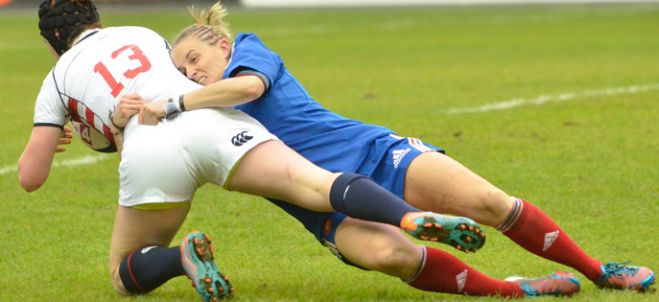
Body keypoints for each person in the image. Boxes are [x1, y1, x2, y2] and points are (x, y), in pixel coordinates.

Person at [134, 1, 655, 296]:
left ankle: (597, 270)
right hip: (323, 206)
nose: (190, 71)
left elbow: (247, 90)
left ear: (221, 45)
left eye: (194, 57)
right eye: (179, 70)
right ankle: (514, 290)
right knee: (389, 255)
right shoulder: (198, 109)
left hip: (377, 155)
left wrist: (176, 98)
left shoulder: (248, 53)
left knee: (490, 204)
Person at [18, 1, 489, 301]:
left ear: (50, 44)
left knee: (124, 273)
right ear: (97, 18)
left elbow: (30, 177)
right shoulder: (142, 34)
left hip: (148, 151)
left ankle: (182, 257)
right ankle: (407, 217)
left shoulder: (57, 79)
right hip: (208, 122)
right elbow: (181, 80)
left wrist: (85, 127)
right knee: (318, 185)